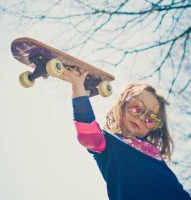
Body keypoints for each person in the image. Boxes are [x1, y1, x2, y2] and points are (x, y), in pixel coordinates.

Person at [64, 69, 191, 200]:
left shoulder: (153, 151)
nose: (142, 117)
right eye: (136, 107)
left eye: (151, 118)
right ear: (123, 104)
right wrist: (78, 86)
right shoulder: (108, 142)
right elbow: (88, 133)